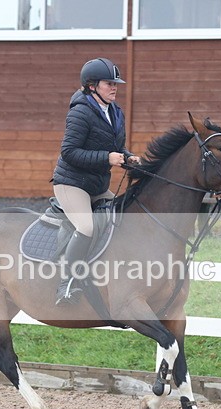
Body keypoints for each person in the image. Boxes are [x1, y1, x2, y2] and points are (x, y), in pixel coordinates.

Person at [51, 58, 141, 305]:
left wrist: (127, 157)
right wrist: (107, 158)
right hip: (71, 184)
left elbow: (113, 147)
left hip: (97, 186)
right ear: (92, 86)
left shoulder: (114, 112)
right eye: (108, 83)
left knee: (126, 218)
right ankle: (67, 283)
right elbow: (69, 152)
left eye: (116, 83)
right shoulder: (80, 112)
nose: (114, 88)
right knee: (87, 227)